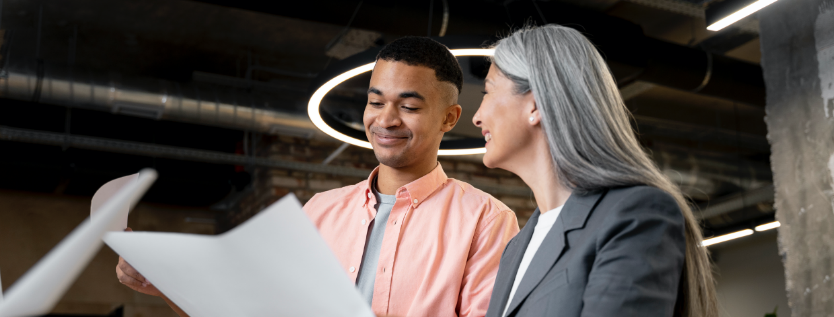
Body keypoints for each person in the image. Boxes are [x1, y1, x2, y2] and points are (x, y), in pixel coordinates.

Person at [116, 36, 520, 317]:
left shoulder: (487, 220)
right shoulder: (320, 211)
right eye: (375, 101)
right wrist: (164, 281)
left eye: (409, 107)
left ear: (449, 118)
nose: (386, 119)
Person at [471, 25, 718, 317]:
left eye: (487, 91)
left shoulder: (634, 214)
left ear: (535, 105)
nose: (476, 117)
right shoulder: (516, 248)